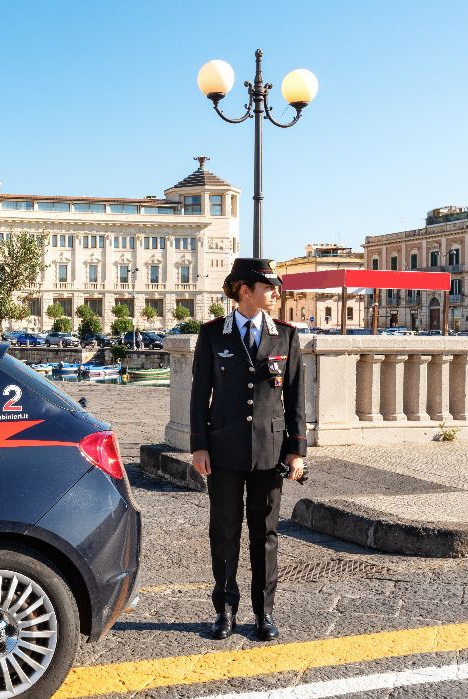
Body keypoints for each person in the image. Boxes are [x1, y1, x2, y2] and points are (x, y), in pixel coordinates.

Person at [189, 257, 307, 642]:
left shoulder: (286, 336)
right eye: (268, 286)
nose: (276, 293)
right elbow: (198, 395)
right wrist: (198, 446)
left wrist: (296, 451)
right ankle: (224, 611)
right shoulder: (212, 334)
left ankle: (264, 613)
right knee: (224, 532)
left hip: (269, 452)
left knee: (265, 534)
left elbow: (296, 399)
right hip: (223, 450)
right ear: (244, 290)